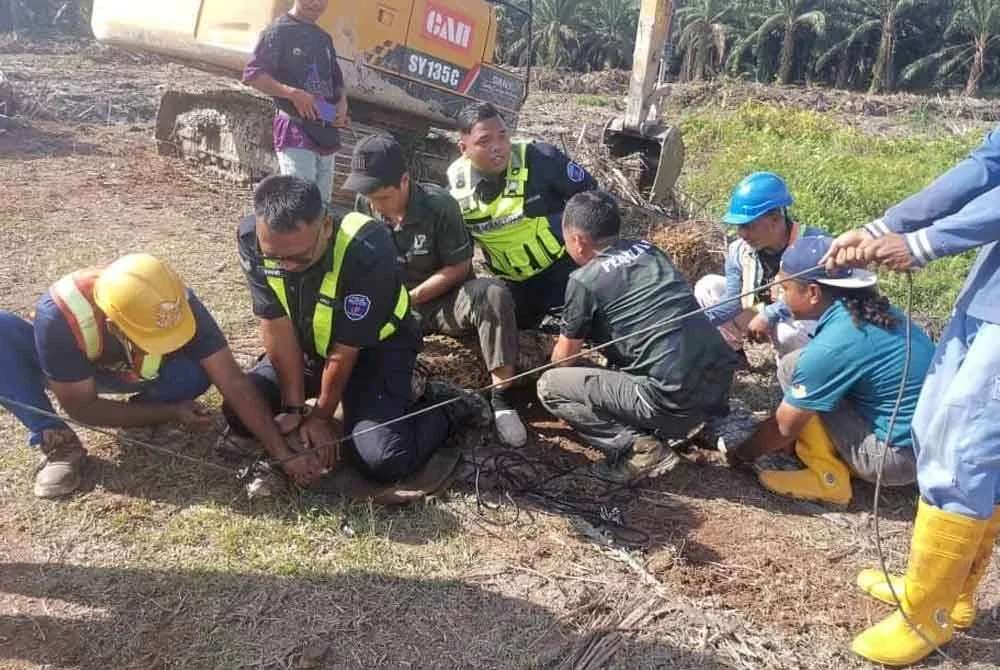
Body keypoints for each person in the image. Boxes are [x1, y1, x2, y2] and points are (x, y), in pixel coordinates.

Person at [826, 126, 1000, 666]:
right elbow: (985, 167)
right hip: (988, 292)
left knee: (966, 448)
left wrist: (923, 243)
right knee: (934, 428)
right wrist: (886, 226)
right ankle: (946, 589)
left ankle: (930, 615)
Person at [226, 175, 489, 484]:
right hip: (310, 345)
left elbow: (346, 348)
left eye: (298, 258)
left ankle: (449, 406)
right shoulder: (250, 238)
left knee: (382, 459)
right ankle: (334, 407)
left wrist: (322, 417)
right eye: (274, 257)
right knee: (240, 411)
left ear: (325, 226)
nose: (285, 266)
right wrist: (294, 408)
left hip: (375, 350)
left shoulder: (368, 246)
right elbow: (275, 323)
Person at [0, 254, 297, 498]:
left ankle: (141, 411)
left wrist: (280, 451)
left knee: (193, 373)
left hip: (135, 373)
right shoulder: (61, 315)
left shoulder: (176, 303)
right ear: (115, 327)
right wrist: (171, 411)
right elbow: (81, 406)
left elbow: (232, 380)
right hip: (72, 370)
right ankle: (58, 440)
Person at [536, 191, 738, 483]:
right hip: (719, 384)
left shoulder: (584, 280)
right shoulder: (648, 250)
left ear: (577, 241)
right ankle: (685, 422)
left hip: (673, 400)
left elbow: (566, 359)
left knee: (551, 386)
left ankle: (640, 450)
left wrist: (553, 358)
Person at [346, 134, 528, 447]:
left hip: (443, 303)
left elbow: (457, 266)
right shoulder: (365, 203)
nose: (375, 205)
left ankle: (502, 400)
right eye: (369, 197)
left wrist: (409, 300)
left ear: (404, 181)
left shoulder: (439, 205)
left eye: (382, 197)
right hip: (393, 305)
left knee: (493, 293)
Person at [753, 236, 932, 506]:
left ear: (813, 292)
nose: (779, 296)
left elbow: (784, 428)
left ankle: (828, 478)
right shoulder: (870, 313)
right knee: (803, 368)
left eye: (784, 288)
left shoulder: (836, 344)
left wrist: (741, 453)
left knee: (796, 370)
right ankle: (839, 458)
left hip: (894, 460)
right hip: (932, 449)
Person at [446, 102, 598, 330]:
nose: (498, 147)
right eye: (484, 142)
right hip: (512, 285)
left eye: (502, 136)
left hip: (563, 273)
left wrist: (594, 261)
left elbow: (594, 200)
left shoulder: (540, 158)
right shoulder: (455, 188)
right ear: (463, 148)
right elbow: (460, 251)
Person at [694, 172, 824, 358]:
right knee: (708, 287)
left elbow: (822, 300)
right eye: (739, 226)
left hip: (805, 323)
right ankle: (733, 355)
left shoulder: (813, 245)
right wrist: (694, 323)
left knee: (789, 333)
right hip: (760, 315)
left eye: (749, 226)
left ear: (776, 218)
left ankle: (798, 374)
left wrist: (770, 315)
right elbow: (733, 301)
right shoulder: (739, 251)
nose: (742, 234)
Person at [243, 0, 348, 205]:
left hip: (325, 130)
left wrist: (342, 103)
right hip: (295, 128)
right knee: (301, 203)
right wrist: (292, 94)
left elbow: (337, 80)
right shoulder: (279, 31)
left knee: (322, 206)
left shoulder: (324, 38)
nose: (316, 3)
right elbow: (253, 75)